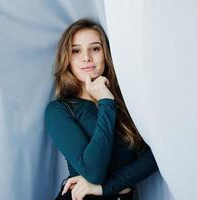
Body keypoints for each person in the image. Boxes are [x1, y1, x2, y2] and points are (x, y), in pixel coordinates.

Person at [45, 18, 159, 200]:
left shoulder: (126, 103)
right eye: (76, 51)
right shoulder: (60, 110)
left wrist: (105, 188)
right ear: (67, 59)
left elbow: (156, 157)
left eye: (95, 49)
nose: (86, 57)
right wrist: (105, 102)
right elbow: (93, 172)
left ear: (106, 54)